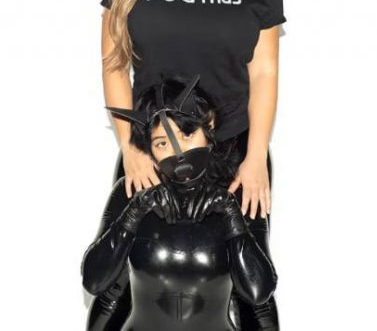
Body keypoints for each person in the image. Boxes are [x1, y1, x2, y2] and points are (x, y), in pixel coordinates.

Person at [99, 0, 286, 329]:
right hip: (152, 149)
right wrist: (131, 149)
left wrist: (255, 157)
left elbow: (264, 71)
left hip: (233, 148)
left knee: (252, 288)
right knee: (116, 278)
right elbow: (114, 64)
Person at [82, 74, 279, 330]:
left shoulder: (238, 193)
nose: (178, 153)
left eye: (187, 134)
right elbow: (95, 283)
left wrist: (232, 216)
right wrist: (134, 213)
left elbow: (258, 294)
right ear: (150, 150)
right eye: (162, 142)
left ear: (208, 128)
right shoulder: (133, 192)